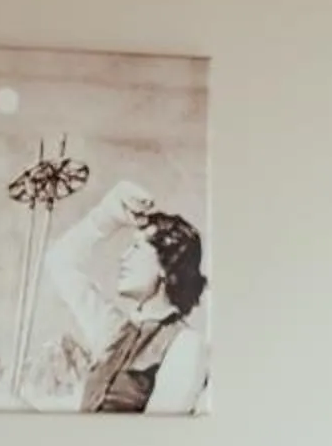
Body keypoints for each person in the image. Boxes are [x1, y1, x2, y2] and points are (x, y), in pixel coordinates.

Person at [39, 177, 208, 413]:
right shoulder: (114, 331)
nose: (123, 256)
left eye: (136, 248)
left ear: (165, 265)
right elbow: (59, 262)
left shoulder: (185, 344)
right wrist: (107, 215)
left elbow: (161, 433)